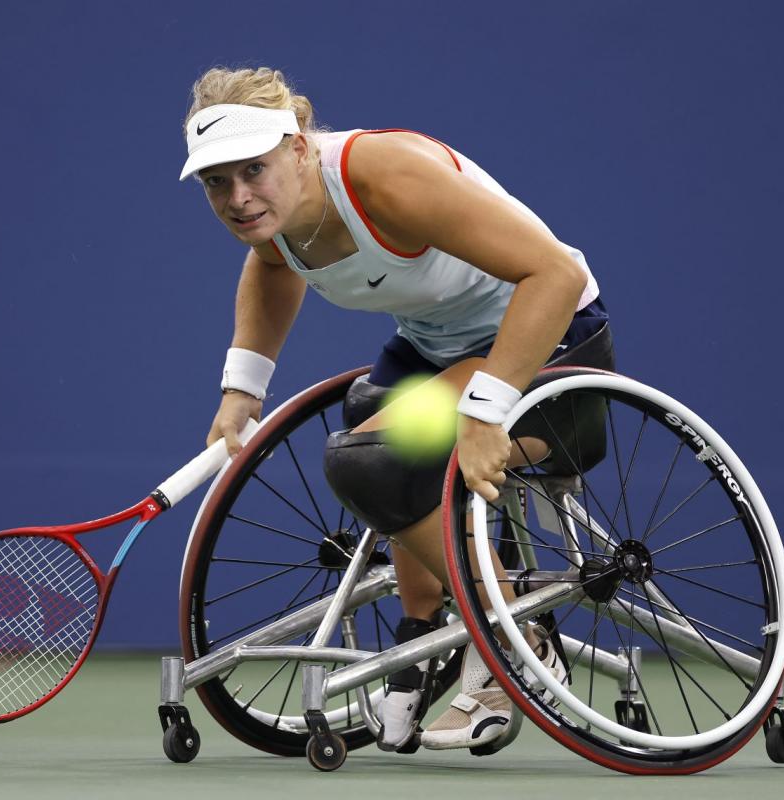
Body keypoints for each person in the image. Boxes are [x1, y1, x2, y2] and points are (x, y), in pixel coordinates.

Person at [181, 67, 613, 752]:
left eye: (253, 171)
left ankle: (517, 642)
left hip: (553, 346)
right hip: (436, 351)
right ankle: (423, 639)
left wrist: (486, 411)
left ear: (298, 149)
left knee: (370, 461)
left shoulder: (384, 176)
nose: (237, 198)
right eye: (216, 182)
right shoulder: (275, 212)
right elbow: (272, 267)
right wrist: (241, 393)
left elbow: (554, 273)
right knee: (369, 423)